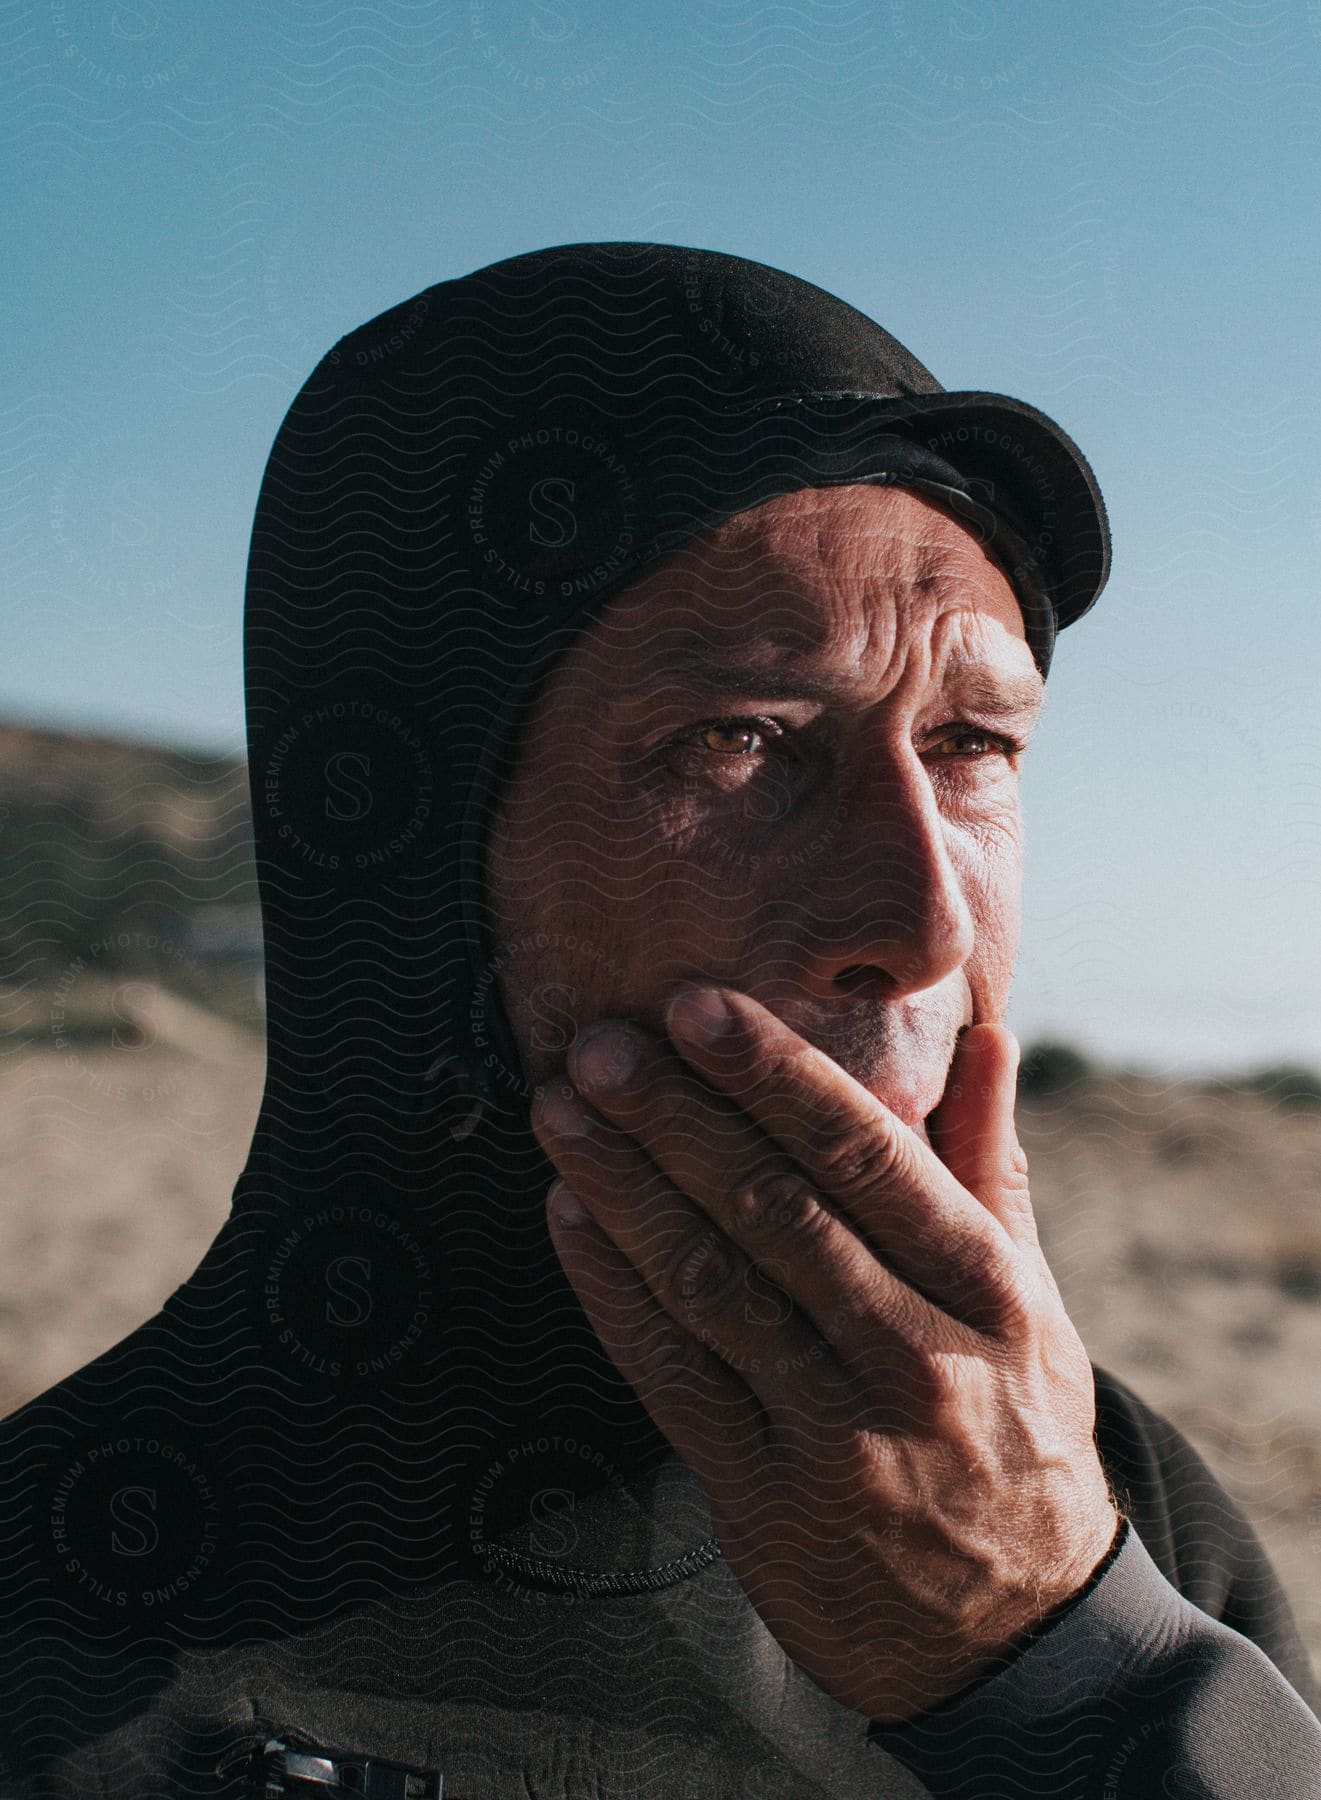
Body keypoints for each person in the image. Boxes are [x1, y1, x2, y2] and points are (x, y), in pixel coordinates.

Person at [0, 243, 1316, 1797]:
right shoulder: (69, 1617)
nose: (923, 924)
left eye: (969, 745)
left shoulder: (1108, 1515)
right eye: (742, 739)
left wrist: (1062, 1665)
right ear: (412, 849)